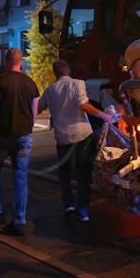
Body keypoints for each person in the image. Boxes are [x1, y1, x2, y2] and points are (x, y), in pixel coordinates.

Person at [38, 60, 114, 222]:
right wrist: (104, 115)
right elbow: (83, 105)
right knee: (82, 173)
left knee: (64, 173)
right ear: (69, 70)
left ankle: (69, 205)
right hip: (82, 135)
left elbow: (37, 108)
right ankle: (83, 209)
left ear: (55, 73)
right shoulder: (78, 84)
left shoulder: (50, 90)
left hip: (62, 137)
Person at [0, 48, 39, 236]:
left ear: (7, 62)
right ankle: (18, 221)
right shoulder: (31, 83)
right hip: (24, 136)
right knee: (20, 177)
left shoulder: (1, 79)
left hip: (3, 136)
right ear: (21, 63)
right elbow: (34, 112)